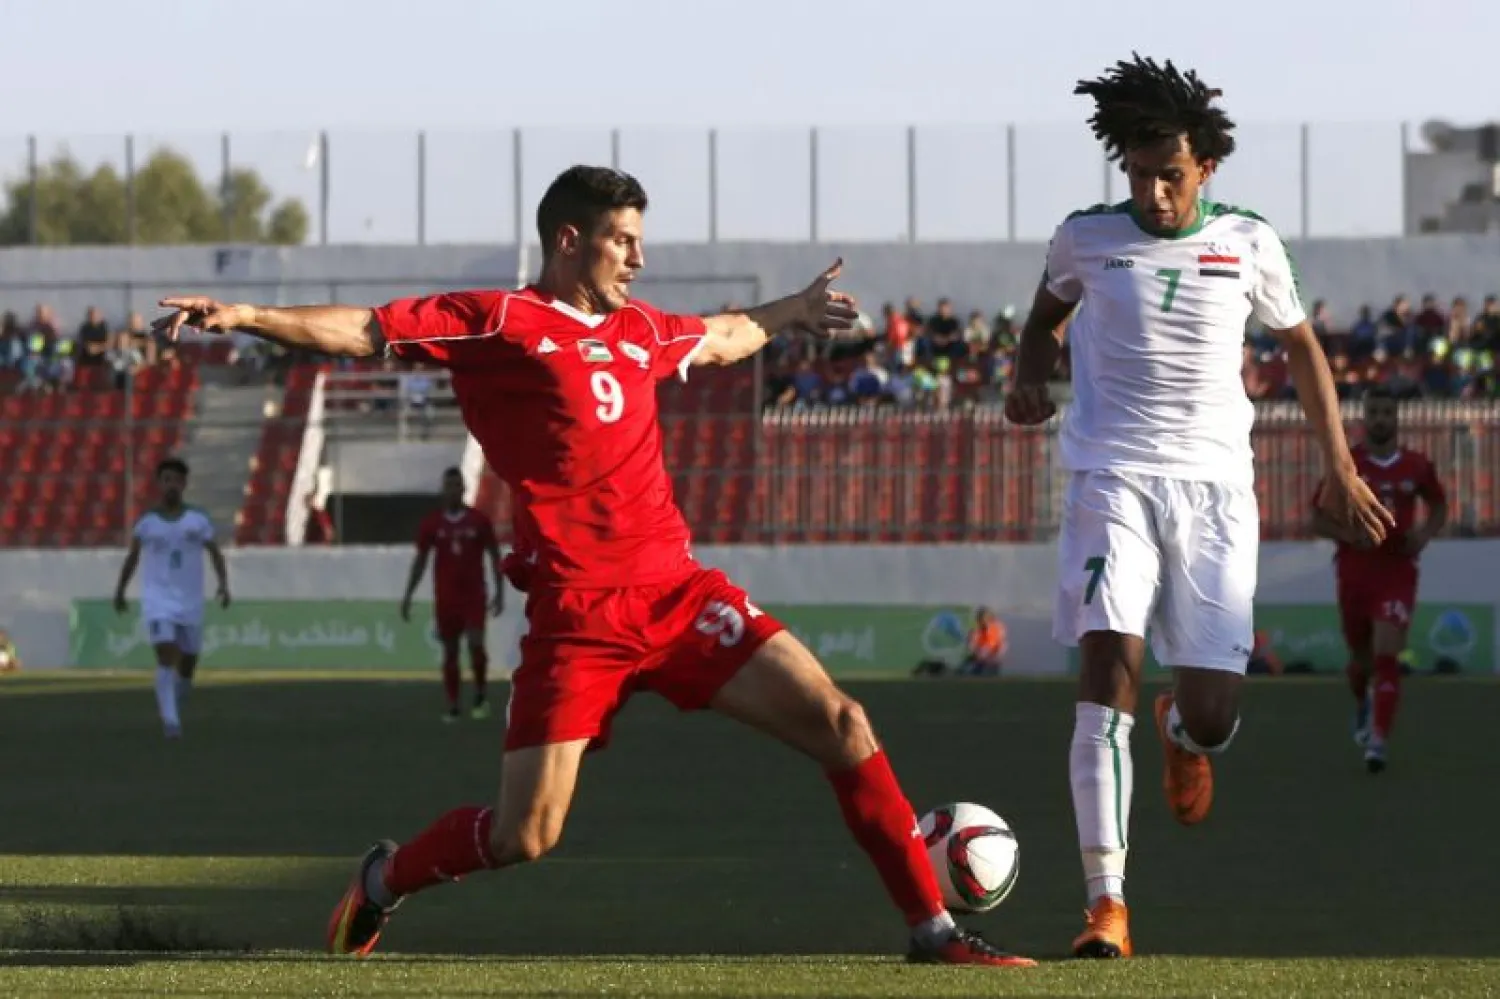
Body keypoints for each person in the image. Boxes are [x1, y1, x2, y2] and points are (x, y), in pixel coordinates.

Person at [153, 165, 1033, 968]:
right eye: (624, 240)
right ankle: (384, 878)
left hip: (679, 595)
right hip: (578, 615)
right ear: (569, 240)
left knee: (843, 721)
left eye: (640, 240)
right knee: (524, 833)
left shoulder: (641, 330)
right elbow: (367, 329)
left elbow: (723, 338)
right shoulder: (498, 320)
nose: (639, 259)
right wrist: (249, 316)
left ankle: (935, 933)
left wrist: (790, 312)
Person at [1004, 55, 1392, 960]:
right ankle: (1108, 905)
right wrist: (1028, 378)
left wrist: (1337, 461)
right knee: (1105, 677)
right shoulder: (1084, 238)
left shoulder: (1249, 241)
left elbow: (1301, 347)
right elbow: (1040, 323)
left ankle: (1183, 733)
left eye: (1169, 175)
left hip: (1217, 492)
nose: (1154, 193)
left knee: (1214, 711)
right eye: (1138, 175)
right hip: (1111, 480)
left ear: (1204, 167)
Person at [1310, 386, 1447, 773]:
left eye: (1388, 412)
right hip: (1355, 569)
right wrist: (1350, 535)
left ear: (1397, 417)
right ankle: (1363, 703)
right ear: (1364, 417)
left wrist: (1422, 535)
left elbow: (1438, 505)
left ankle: (1378, 741)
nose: (1381, 419)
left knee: (1387, 655)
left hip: (1397, 570)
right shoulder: (1347, 465)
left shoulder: (1417, 465)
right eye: (1375, 412)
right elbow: (1317, 518)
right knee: (1360, 659)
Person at [113, 458, 231, 739]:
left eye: (177, 480)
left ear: (184, 484)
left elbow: (215, 552)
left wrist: (224, 585)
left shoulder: (198, 519)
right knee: (167, 653)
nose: (172, 485)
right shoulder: (147, 522)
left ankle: (175, 698)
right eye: (167, 479)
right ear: (159, 484)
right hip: (158, 601)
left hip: (189, 601)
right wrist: (120, 590)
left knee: (188, 661)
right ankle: (171, 721)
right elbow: (133, 557)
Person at [400, 467, 505, 722]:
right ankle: (454, 704)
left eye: (457, 485)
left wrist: (499, 591)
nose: (453, 490)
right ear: (442, 490)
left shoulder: (479, 521)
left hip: (474, 597)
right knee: (450, 651)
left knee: (475, 644)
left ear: (464, 489)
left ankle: (480, 695)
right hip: (446, 598)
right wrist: (408, 595)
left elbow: (494, 555)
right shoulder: (432, 524)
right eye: (449, 486)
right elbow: (421, 561)